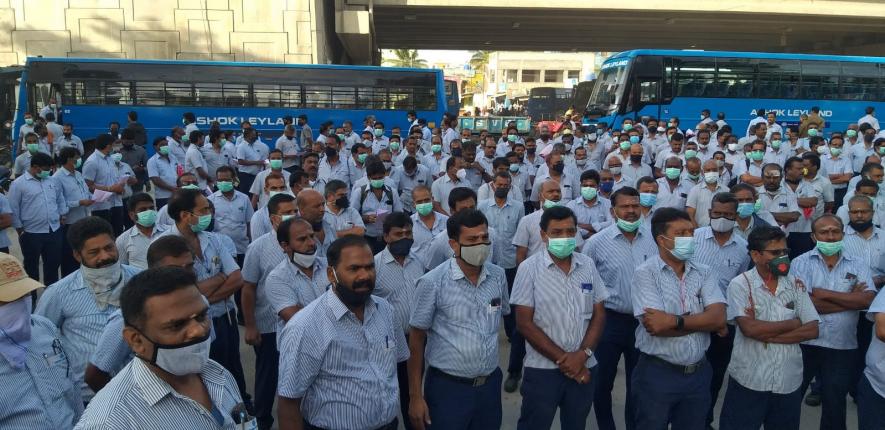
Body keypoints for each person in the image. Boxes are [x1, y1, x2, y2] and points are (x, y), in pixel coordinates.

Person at [75, 266, 248, 429]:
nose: (198, 330)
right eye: (177, 325)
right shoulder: (108, 422)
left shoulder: (217, 373)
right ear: (136, 341)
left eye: (201, 316)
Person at [276, 235, 406, 430]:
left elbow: (397, 364)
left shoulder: (385, 310)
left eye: (369, 267)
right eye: (354, 269)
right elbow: (288, 403)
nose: (364, 276)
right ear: (331, 274)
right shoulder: (305, 326)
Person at [408, 209, 509, 430]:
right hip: (448, 389)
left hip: (489, 386)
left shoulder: (498, 276)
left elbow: (500, 315)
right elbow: (416, 341)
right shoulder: (431, 282)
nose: (480, 244)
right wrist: (415, 396)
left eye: (484, 238)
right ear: (454, 245)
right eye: (472, 240)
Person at [510, 206, 607, 430]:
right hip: (543, 370)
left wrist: (583, 355)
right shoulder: (528, 269)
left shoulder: (587, 265)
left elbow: (599, 313)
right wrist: (567, 360)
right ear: (544, 235)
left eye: (570, 231)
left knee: (576, 424)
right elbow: (524, 323)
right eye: (556, 232)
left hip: (585, 365)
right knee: (534, 424)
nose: (564, 237)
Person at [631, 208, 727, 429]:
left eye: (691, 232)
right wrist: (704, 322)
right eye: (681, 233)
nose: (689, 238)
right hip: (658, 373)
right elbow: (656, 326)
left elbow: (719, 318)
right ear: (661, 240)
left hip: (698, 374)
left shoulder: (704, 272)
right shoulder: (645, 273)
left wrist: (676, 321)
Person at [718, 226, 820, 430]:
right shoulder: (740, 285)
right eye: (775, 253)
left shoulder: (796, 284)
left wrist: (769, 335)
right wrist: (794, 323)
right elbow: (750, 329)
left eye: (785, 252)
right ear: (755, 255)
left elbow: (812, 329)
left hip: (787, 380)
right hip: (750, 380)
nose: (782, 257)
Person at [158, 188, 249, 409]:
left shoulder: (215, 240)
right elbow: (176, 294)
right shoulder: (163, 246)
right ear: (185, 215)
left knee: (232, 370)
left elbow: (237, 278)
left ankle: (241, 412)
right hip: (193, 325)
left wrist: (199, 294)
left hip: (224, 319)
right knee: (203, 376)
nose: (210, 213)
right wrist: (219, 277)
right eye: (204, 210)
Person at [35, 216, 141, 403]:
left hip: (141, 388)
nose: (105, 256)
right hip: (89, 396)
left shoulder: (141, 281)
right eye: (94, 252)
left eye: (109, 247)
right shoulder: (59, 293)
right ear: (77, 255)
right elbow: (40, 341)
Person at [792, 214, 876, 430]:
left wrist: (821, 293)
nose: (830, 236)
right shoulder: (800, 262)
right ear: (813, 236)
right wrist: (849, 301)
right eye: (824, 232)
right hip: (804, 343)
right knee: (790, 398)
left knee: (835, 402)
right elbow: (801, 304)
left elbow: (867, 300)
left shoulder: (858, 264)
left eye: (835, 231)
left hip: (842, 345)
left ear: (842, 234)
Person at [85, 235, 196, 392]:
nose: (186, 275)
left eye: (190, 267)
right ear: (155, 272)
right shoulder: (127, 318)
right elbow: (94, 375)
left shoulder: (199, 305)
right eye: (176, 270)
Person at [0, 253, 83, 429]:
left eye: (23, 295)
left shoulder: (42, 327)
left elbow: (73, 387)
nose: (20, 304)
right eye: (8, 300)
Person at [690, 192, 751, 427]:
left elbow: (738, 286)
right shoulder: (692, 239)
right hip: (691, 317)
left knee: (714, 376)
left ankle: (704, 420)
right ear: (709, 213)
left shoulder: (744, 249)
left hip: (722, 323)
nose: (722, 218)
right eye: (717, 213)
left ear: (736, 216)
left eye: (728, 214)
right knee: (687, 373)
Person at [240, 193, 297, 430]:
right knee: (267, 375)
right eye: (287, 212)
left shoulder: (303, 240)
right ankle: (263, 419)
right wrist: (250, 324)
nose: (293, 215)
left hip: (297, 321)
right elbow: (248, 288)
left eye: (295, 210)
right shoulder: (259, 247)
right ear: (273, 218)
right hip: (268, 323)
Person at [372, 212, 426, 430]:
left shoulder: (418, 261)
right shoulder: (374, 266)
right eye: (398, 234)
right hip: (389, 343)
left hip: (418, 339)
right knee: (389, 392)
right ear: (386, 237)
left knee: (414, 390)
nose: (405, 237)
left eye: (408, 233)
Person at [9, 151, 67, 286]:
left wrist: (62, 214)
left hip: (53, 231)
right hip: (31, 233)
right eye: (46, 169)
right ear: (35, 167)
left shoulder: (52, 181)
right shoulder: (19, 184)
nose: (49, 172)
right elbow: (14, 208)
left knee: (52, 266)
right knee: (31, 268)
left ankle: (50, 298)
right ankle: (32, 300)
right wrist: (19, 229)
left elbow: (60, 199)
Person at [53, 147, 94, 275]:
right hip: (70, 222)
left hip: (84, 219)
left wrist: (93, 198)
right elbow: (59, 202)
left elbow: (85, 192)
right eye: (76, 157)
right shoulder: (58, 177)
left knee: (83, 252)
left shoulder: (78, 174)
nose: (79, 160)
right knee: (70, 256)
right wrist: (79, 203)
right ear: (69, 159)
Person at [350, 159, 403, 254]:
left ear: (385, 176)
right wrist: (366, 218)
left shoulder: (392, 192)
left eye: (380, 177)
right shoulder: (360, 193)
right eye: (375, 178)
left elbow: (399, 214)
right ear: (369, 177)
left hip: (387, 238)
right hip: (367, 239)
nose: (378, 180)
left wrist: (389, 219)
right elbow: (351, 216)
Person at [208, 165, 254, 264]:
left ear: (234, 180)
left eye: (227, 180)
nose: (223, 182)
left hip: (242, 248)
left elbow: (249, 222)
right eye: (220, 180)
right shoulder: (211, 200)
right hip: (221, 248)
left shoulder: (244, 198)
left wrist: (251, 242)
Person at [116, 192, 166, 270]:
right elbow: (123, 268)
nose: (149, 212)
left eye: (151, 208)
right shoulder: (123, 240)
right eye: (143, 210)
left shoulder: (168, 232)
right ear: (132, 215)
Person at [686, 159, 728, 227]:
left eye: (714, 170)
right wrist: (697, 231)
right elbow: (690, 214)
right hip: (700, 231)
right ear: (702, 172)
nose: (711, 172)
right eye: (708, 170)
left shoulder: (726, 191)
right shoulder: (694, 191)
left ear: (718, 172)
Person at [236, 128, 269, 194]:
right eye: (253, 135)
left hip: (256, 175)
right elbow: (241, 161)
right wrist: (258, 162)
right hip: (246, 176)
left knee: (255, 194)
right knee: (247, 194)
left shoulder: (255, 145)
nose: (255, 137)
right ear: (247, 135)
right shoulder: (241, 147)